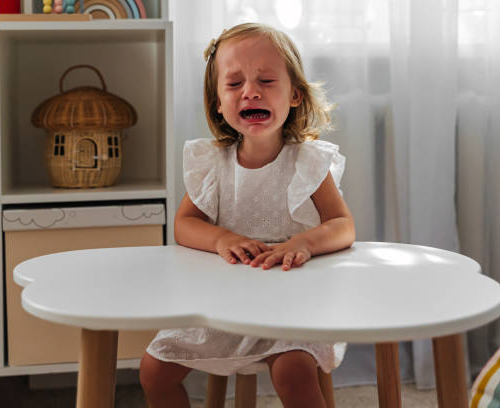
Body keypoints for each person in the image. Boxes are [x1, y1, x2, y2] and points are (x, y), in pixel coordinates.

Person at [140, 22, 355, 408]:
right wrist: (222, 238)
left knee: (294, 373)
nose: (251, 91)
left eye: (267, 81)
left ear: (295, 96)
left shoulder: (307, 162)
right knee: (153, 371)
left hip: (293, 306)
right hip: (225, 304)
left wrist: (304, 242)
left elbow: (343, 226)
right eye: (234, 84)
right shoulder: (212, 165)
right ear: (218, 103)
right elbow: (184, 225)